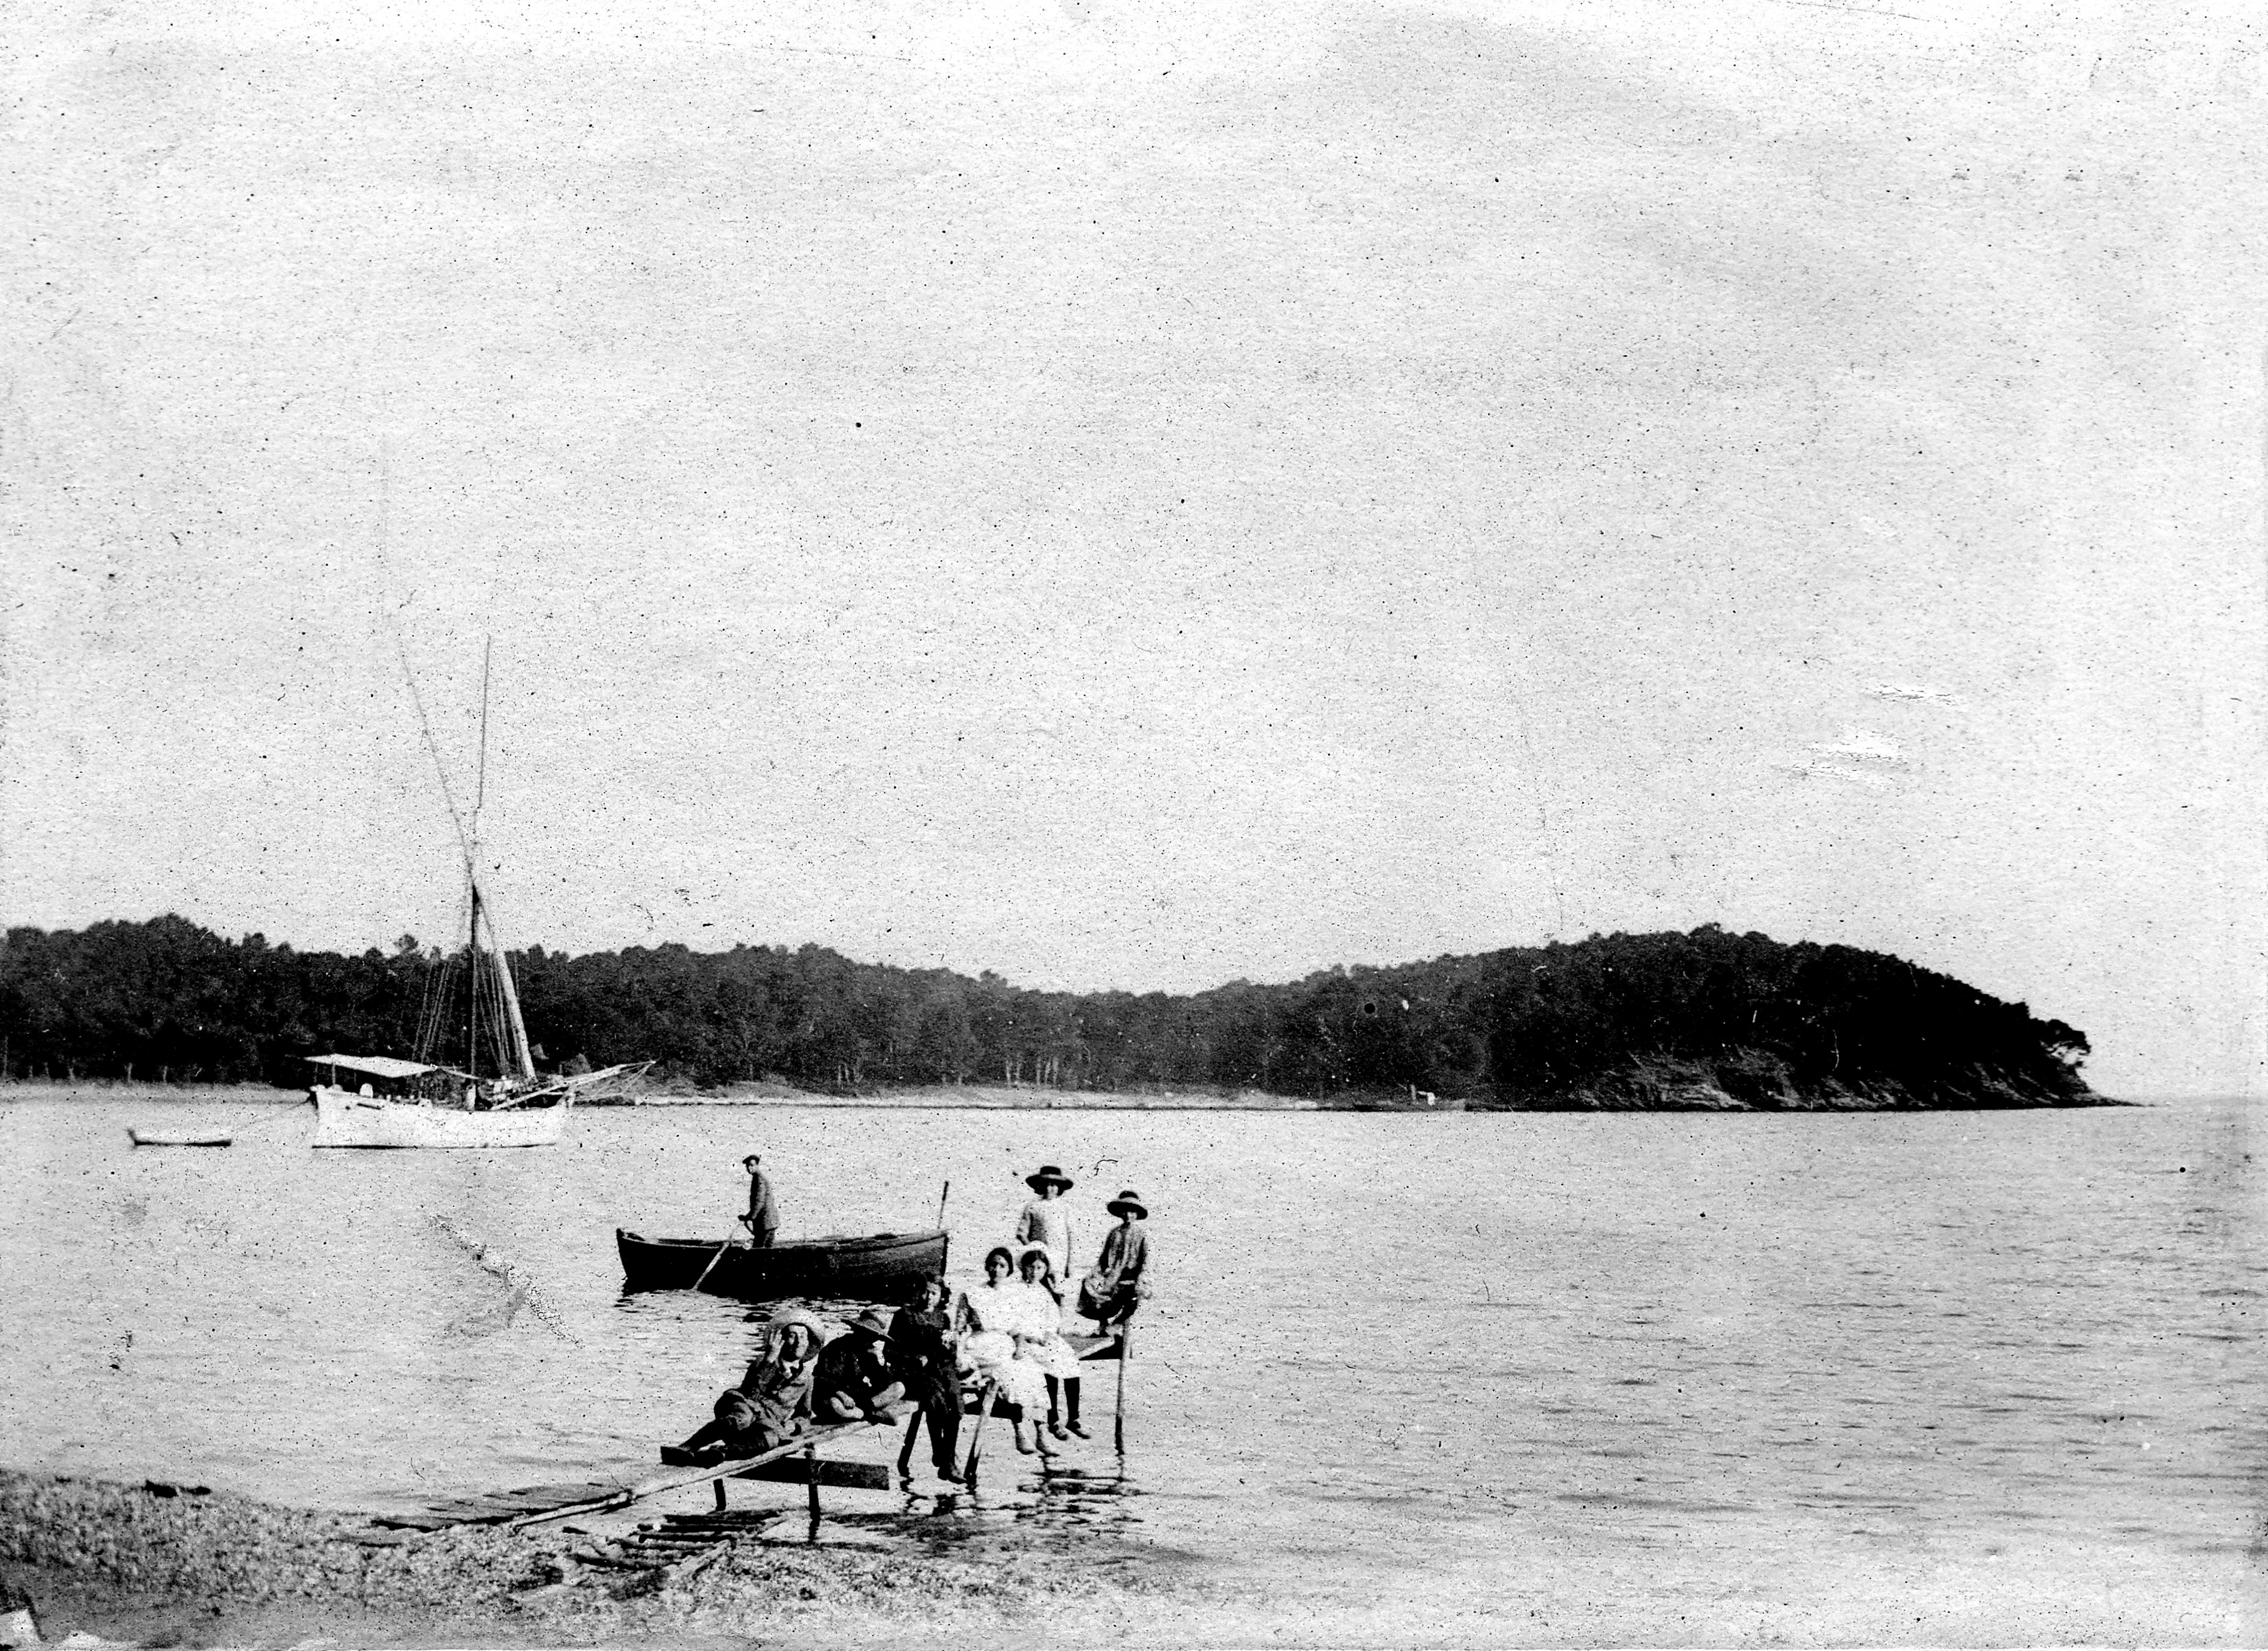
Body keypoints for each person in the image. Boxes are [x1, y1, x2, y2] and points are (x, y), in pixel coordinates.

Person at [667, 1308, 824, 1463]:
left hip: (767, 1423)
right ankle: (688, 1447)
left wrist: (795, 1426)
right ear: (781, 1340)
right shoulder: (764, 1362)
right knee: (743, 1418)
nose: (798, 1343)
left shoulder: (807, 1379)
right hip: (742, 1406)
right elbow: (751, 1394)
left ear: (809, 1343)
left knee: (772, 1439)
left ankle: (722, 1453)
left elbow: (805, 1414)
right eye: (792, 1336)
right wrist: (769, 1361)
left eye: (803, 1337)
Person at [956, 1245, 1054, 1456]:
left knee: (1034, 1372)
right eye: (993, 1264)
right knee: (1010, 1376)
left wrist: (1020, 1346)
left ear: (1009, 1269)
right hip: (981, 1345)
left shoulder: (1013, 1295)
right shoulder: (972, 1293)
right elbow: (960, 1328)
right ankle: (1020, 1431)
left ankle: (1042, 1433)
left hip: (1005, 1343)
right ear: (986, 1267)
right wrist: (959, 1351)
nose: (997, 1269)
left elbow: (1017, 1329)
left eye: (1002, 1266)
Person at [889, 1276, 964, 1483]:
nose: (929, 1297)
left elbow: (950, 1353)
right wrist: (913, 1359)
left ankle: (944, 1455)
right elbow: (890, 1351)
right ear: (917, 1292)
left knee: (955, 1402)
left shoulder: (943, 1318)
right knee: (935, 1398)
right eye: (925, 1291)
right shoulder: (904, 1315)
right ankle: (946, 1460)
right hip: (914, 1372)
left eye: (934, 1293)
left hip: (941, 1369)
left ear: (941, 1296)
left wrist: (951, 1348)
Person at [1015, 1245, 1088, 1440]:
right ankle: (1053, 1419)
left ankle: (1074, 1418)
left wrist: (1048, 1334)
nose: (1035, 1272)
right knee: (1050, 1367)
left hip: (1044, 1338)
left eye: (1040, 1268)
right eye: (1031, 1267)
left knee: (1070, 1361)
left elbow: (1052, 1318)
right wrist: (1030, 1337)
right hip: (1026, 1340)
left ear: (1046, 1269)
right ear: (1023, 1267)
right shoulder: (1016, 1290)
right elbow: (1014, 1319)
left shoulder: (1044, 1292)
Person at [811, 1308, 907, 1424]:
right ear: (858, 1331)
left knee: (899, 1388)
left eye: (874, 1337)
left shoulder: (868, 1351)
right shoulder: (836, 1348)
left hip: (857, 1396)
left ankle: (864, 1412)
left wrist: (881, 1362)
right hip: (833, 1395)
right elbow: (824, 1380)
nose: (872, 1340)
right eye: (869, 1335)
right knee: (835, 1405)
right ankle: (870, 1413)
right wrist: (843, 1396)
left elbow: (882, 1383)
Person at [1078, 1188, 1151, 1330]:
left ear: (1137, 1214)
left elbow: (1145, 1259)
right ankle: (1103, 1323)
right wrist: (1096, 1272)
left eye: (1132, 1212)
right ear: (1121, 1213)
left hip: (1131, 1273)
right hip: (1113, 1273)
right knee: (1092, 1284)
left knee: (1134, 1293)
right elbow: (1104, 1257)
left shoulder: (1141, 1234)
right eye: (1125, 1212)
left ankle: (1117, 1324)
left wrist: (1141, 1275)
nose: (1129, 1216)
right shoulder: (1114, 1233)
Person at [1012, 1165, 1075, 1297]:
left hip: (1059, 1255)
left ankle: (1058, 1309)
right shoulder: (1033, 1207)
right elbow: (1021, 1233)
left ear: (1059, 1187)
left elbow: (1071, 1236)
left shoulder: (1065, 1207)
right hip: (1039, 1258)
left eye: (1053, 1185)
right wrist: (1034, 1250)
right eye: (1045, 1184)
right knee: (1037, 1287)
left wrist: (1070, 1264)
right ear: (1039, 1186)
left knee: (1058, 1289)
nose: (1049, 1188)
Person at [742, 1153, 778, 1248]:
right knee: (768, 1250)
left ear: (757, 1166)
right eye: (748, 1166)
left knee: (758, 1250)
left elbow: (760, 1202)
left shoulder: (759, 1179)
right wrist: (748, 1217)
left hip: (765, 1223)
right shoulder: (757, 1178)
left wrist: (751, 1217)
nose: (749, 1168)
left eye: (752, 1165)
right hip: (769, 1222)